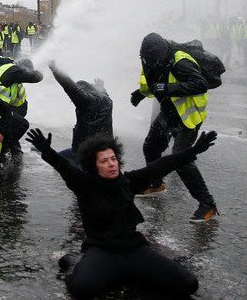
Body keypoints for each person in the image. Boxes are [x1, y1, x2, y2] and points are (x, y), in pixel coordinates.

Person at [26, 128, 215, 299]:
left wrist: (195, 150)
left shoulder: (129, 181)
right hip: (102, 251)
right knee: (80, 288)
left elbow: (162, 165)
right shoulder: (83, 184)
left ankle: (129, 273)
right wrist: (47, 150)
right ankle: (74, 261)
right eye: (104, 161)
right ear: (94, 165)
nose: (111, 164)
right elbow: (64, 167)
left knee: (189, 284)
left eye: (113, 159)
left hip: (134, 249)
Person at [131, 32, 218, 222]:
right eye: (146, 59)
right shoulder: (151, 60)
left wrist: (168, 89)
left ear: (161, 54)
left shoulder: (180, 61)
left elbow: (200, 84)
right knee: (151, 147)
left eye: (153, 60)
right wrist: (140, 93)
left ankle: (207, 204)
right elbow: (152, 82)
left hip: (189, 115)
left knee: (181, 158)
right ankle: (156, 184)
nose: (149, 63)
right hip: (169, 112)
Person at [49, 61, 113, 161]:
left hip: (86, 150)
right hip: (106, 147)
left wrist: (55, 70)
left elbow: (68, 85)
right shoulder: (107, 101)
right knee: (56, 158)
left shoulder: (86, 102)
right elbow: (104, 95)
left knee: (57, 162)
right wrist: (101, 88)